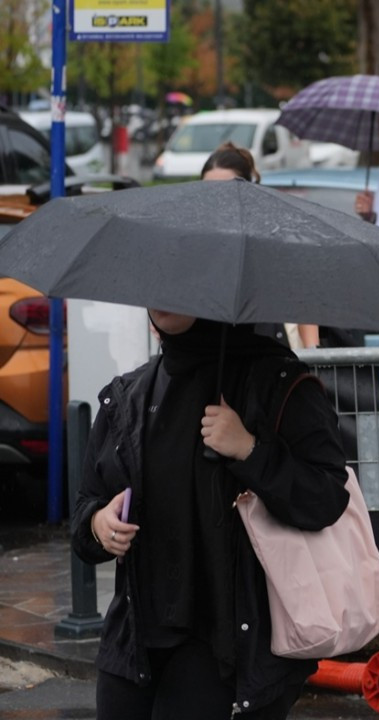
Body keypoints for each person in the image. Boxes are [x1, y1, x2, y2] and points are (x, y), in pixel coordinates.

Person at [71, 311, 350, 719]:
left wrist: (250, 451)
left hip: (228, 644)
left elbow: (325, 497)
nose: (163, 297)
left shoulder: (276, 383)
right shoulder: (127, 395)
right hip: (133, 642)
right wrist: (98, 524)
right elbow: (85, 509)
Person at [200, 142, 319, 351]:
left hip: (272, 359)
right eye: (209, 192)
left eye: (227, 191)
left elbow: (303, 304)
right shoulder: (193, 247)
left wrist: (314, 354)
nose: (218, 201)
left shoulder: (273, 241)